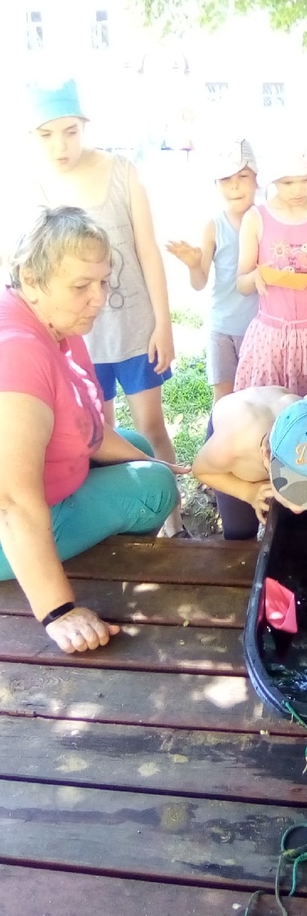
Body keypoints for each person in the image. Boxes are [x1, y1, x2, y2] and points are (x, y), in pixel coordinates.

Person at [0, 207, 187, 654]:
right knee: (155, 488)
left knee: (141, 449)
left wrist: (155, 459)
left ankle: (103, 554)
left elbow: (88, 428)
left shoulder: (56, 323)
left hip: (45, 491)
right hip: (9, 530)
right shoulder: (18, 353)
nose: (99, 298)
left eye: (103, 282)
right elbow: (11, 501)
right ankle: (101, 572)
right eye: (81, 285)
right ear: (31, 278)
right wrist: (58, 611)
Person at [24, 78, 186, 536]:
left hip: (135, 329)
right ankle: (119, 531)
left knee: (151, 426)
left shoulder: (121, 171)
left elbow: (148, 250)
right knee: (97, 432)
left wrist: (163, 324)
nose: (60, 145)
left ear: (85, 125)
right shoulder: (37, 187)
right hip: (81, 340)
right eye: (47, 134)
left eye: (70, 131)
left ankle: (174, 525)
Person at [234, 147, 307, 396]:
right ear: (273, 180)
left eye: (306, 180)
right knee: (268, 407)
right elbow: (241, 285)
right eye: (287, 183)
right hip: (271, 338)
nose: (298, 190)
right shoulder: (256, 218)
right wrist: (255, 277)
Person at [166, 139, 259, 403]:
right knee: (224, 401)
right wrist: (194, 264)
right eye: (225, 179)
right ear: (215, 184)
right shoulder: (214, 225)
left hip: (260, 328)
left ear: (257, 179)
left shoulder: (267, 219)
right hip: (222, 328)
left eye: (243, 176)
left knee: (257, 399)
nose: (235, 185)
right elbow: (199, 283)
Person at [193, 390, 307, 538]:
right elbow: (201, 471)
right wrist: (248, 492)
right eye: (293, 487)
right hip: (232, 439)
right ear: (266, 455)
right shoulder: (229, 448)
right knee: (239, 531)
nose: (298, 508)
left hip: (280, 409)